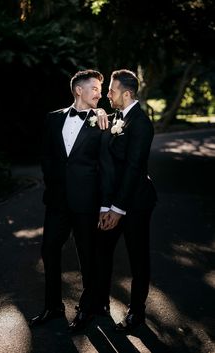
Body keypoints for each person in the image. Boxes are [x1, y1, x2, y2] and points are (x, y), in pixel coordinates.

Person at [29, 69, 114, 331]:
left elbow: (106, 166)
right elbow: (46, 155)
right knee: (49, 251)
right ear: (79, 90)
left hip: (86, 203)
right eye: (95, 89)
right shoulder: (53, 119)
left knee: (88, 256)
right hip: (56, 202)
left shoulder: (103, 121)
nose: (101, 95)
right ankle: (53, 307)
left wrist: (105, 203)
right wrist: (51, 181)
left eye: (101, 91)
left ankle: (87, 308)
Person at [96, 69, 157, 332]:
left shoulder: (141, 124)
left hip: (136, 203)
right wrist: (105, 206)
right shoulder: (115, 117)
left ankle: (137, 312)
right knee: (102, 251)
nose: (107, 94)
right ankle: (100, 302)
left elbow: (133, 169)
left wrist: (117, 210)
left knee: (138, 257)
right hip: (112, 203)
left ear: (127, 93)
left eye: (111, 90)